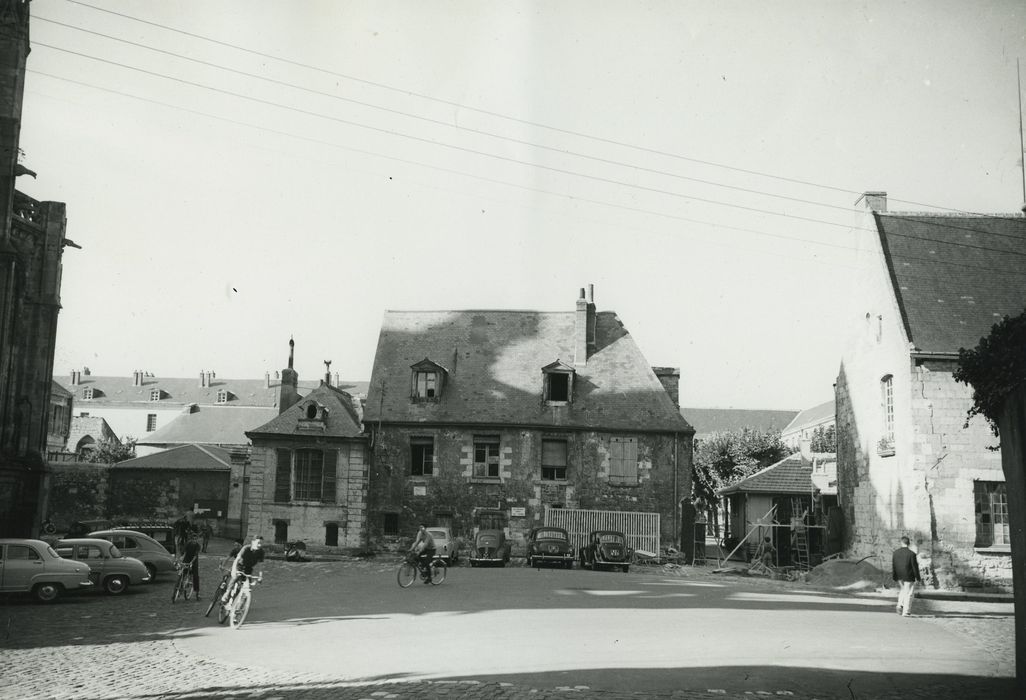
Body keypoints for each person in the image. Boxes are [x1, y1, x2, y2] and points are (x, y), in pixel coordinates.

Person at [222, 535, 265, 603]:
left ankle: (240, 603)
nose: (259, 545)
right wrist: (233, 571)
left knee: (247, 586)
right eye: (258, 543)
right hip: (240, 566)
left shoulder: (261, 552)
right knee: (235, 578)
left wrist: (260, 576)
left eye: (261, 543)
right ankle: (226, 593)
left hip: (249, 568)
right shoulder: (246, 548)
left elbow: (260, 564)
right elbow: (236, 560)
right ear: (253, 542)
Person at [892, 536, 922, 617]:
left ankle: (899, 605)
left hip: (899, 575)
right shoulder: (911, 554)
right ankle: (906, 611)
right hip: (908, 575)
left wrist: (895, 577)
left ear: (901, 542)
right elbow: (914, 567)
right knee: (909, 593)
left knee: (903, 590)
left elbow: (894, 566)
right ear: (908, 543)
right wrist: (918, 578)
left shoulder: (895, 553)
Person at [180, 531, 202, 599]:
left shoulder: (198, 546)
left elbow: (195, 555)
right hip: (186, 559)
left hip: (194, 561)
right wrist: (182, 558)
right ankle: (179, 588)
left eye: (196, 539)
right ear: (191, 539)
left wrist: (191, 562)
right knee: (182, 574)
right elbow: (184, 551)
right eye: (193, 539)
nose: (194, 541)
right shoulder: (188, 543)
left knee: (195, 576)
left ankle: (197, 593)